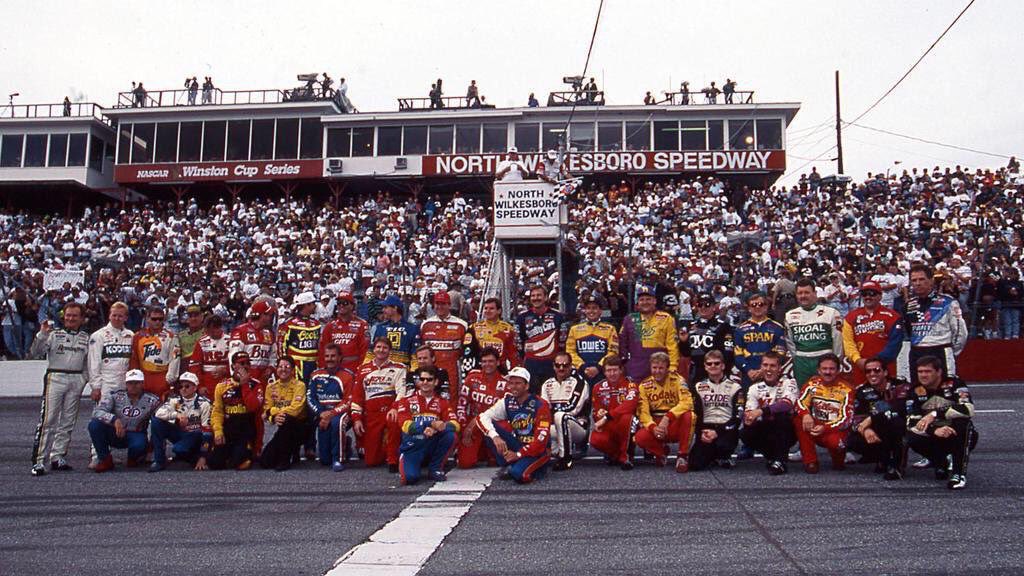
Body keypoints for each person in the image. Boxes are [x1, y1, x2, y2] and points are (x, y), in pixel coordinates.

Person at [28, 302, 90, 476]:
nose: (70, 318)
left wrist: (83, 379)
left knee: (68, 421)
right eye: (68, 315)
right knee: (48, 420)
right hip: (55, 377)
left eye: (74, 315)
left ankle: (58, 456)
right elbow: (35, 352)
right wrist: (42, 334)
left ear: (82, 318)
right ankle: (39, 461)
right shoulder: (53, 334)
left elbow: (88, 363)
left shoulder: (86, 338)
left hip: (76, 379)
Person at [905, 355, 977, 490]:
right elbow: (911, 421)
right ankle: (940, 461)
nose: (923, 375)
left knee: (964, 424)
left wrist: (935, 414)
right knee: (911, 436)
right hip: (933, 433)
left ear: (939, 372)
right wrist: (934, 430)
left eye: (928, 371)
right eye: (920, 372)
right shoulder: (914, 390)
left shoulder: (955, 384)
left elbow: (968, 409)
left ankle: (958, 474)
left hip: (954, 431)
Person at [477, 366, 553, 483]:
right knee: (489, 428)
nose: (513, 386)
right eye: (511, 383)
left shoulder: (541, 405)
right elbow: (482, 417)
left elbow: (540, 441)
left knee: (519, 475)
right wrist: (495, 437)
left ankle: (528, 468)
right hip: (518, 444)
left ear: (526, 386)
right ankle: (513, 464)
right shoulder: (507, 401)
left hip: (538, 451)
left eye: (518, 383)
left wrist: (518, 454)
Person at [846, 357, 911, 480]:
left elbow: (901, 409)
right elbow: (856, 417)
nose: (872, 374)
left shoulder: (901, 386)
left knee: (896, 423)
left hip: (899, 427)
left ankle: (897, 467)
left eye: (876, 370)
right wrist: (866, 430)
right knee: (853, 440)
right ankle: (882, 459)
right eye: (868, 371)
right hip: (877, 430)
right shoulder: (862, 391)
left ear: (885, 372)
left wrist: (872, 419)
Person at [901, 263, 968, 382]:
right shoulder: (908, 305)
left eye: (922, 279)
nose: (918, 283)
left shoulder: (948, 302)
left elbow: (960, 332)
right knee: (918, 390)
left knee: (945, 390)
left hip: (941, 351)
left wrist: (950, 351)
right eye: (914, 280)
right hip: (917, 353)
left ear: (931, 280)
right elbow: (909, 331)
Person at [395, 366, 459, 485]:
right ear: (418, 381)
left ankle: (435, 468)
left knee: (451, 435)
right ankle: (405, 459)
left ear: (436, 382)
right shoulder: (406, 401)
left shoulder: (442, 402)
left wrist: (437, 428)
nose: (425, 382)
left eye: (429, 379)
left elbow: (455, 424)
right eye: (422, 379)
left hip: (432, 444)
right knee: (410, 479)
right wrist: (428, 425)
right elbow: (405, 425)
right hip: (414, 446)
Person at [88, 369, 160, 473]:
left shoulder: (153, 400)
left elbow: (161, 416)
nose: (133, 386)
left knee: (139, 445)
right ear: (126, 384)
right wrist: (114, 419)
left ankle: (134, 457)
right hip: (115, 432)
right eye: (130, 383)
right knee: (94, 425)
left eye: (137, 383)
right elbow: (97, 412)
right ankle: (105, 459)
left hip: (136, 433)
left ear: (142, 383)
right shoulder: (115, 396)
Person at [352, 337, 408, 471]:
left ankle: (393, 459)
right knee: (371, 461)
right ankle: (384, 448)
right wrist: (356, 419)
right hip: (372, 415)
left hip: (390, 411)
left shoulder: (400, 368)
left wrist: (395, 408)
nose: (381, 350)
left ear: (390, 351)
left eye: (385, 347)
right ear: (373, 349)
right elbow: (357, 396)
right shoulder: (363, 369)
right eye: (378, 347)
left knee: (394, 420)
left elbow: (402, 391)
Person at [633, 352, 695, 472]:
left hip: (673, 422)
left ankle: (682, 456)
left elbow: (687, 402)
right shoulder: (644, 385)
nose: (657, 371)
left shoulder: (678, 380)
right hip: (656, 424)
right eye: (654, 368)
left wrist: (667, 418)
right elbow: (643, 412)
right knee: (639, 437)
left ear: (667, 368)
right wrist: (653, 428)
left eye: (661, 368)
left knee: (690, 415)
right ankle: (661, 452)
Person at [741, 351, 800, 474]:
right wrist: (749, 418)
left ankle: (780, 461)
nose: (768, 369)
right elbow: (750, 412)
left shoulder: (789, 382)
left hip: (787, 429)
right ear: (761, 367)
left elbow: (787, 404)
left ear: (779, 368)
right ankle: (772, 457)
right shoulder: (754, 388)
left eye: (772, 366)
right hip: (766, 427)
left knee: (782, 417)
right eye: (765, 365)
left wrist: (761, 411)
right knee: (745, 432)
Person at [794, 354, 854, 474]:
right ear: (819, 370)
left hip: (835, 430)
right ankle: (810, 462)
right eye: (824, 369)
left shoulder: (847, 389)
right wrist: (806, 414)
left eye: (831, 369)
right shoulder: (812, 384)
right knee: (798, 419)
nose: (828, 372)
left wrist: (825, 428)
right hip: (816, 426)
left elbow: (847, 419)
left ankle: (838, 461)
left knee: (837, 456)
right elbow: (800, 402)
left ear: (838, 370)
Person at [689, 350, 744, 471]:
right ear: (705, 367)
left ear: (723, 366)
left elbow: (738, 416)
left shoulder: (735, 387)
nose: (713, 366)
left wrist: (718, 432)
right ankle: (712, 456)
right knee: (694, 465)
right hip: (706, 429)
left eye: (716, 363)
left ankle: (723, 456)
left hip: (726, 429)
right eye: (709, 363)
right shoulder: (698, 387)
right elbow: (695, 413)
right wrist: (701, 431)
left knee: (723, 445)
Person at [208, 353, 264, 470]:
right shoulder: (222, 386)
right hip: (228, 428)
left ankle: (246, 454)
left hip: (247, 430)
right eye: (242, 363)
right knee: (214, 463)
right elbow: (217, 412)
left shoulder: (256, 385)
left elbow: (253, 407)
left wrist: (244, 385)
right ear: (233, 366)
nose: (245, 366)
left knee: (238, 463)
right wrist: (218, 432)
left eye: (248, 363)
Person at [785, 278, 844, 387]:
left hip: (825, 360)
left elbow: (838, 341)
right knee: (803, 392)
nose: (803, 296)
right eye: (800, 293)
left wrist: (836, 362)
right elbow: (790, 342)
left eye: (807, 292)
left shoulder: (831, 313)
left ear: (815, 293)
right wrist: (797, 358)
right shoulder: (789, 315)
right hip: (802, 362)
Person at [148, 372, 212, 472]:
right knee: (156, 422)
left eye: (187, 386)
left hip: (196, 436)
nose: (183, 389)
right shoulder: (174, 400)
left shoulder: (204, 404)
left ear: (195, 388)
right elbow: (158, 413)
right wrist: (176, 415)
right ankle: (159, 461)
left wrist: (203, 457)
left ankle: (196, 457)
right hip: (181, 433)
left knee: (179, 449)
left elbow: (207, 433)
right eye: (180, 386)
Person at [455, 347, 507, 469]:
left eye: (491, 361)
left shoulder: (505, 383)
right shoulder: (472, 378)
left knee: (496, 462)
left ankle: (489, 452)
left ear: (498, 362)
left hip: (494, 425)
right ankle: (478, 451)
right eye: (484, 361)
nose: (487, 364)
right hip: (473, 425)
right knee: (465, 463)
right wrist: (463, 428)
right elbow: (461, 405)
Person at [842, 281, 903, 384]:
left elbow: (895, 344)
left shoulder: (893, 316)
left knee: (888, 392)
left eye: (872, 294)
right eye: (864, 294)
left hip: (885, 367)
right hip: (860, 367)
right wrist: (857, 360)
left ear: (880, 296)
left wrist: (877, 362)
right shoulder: (850, 317)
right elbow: (848, 342)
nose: (868, 297)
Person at [307, 345, 357, 470]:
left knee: (337, 423)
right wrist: (320, 413)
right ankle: (345, 444)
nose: (330, 359)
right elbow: (310, 398)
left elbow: (349, 400)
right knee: (325, 460)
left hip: (341, 414)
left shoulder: (348, 375)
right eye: (327, 356)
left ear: (340, 357)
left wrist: (331, 414)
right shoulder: (315, 375)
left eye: (333, 356)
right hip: (322, 413)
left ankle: (338, 459)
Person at [541, 352, 590, 470]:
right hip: (555, 426)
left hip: (578, 427)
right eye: (558, 365)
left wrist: (554, 414)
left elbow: (574, 409)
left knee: (561, 416)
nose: (561, 368)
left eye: (565, 365)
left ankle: (565, 459)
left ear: (571, 366)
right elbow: (544, 409)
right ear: (553, 366)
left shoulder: (580, 382)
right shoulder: (547, 384)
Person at [620, 285, 679, 382]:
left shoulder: (666, 318)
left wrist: (673, 365)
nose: (645, 302)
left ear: (654, 301)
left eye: (648, 299)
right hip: (636, 368)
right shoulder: (630, 319)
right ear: (637, 302)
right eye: (642, 300)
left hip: (660, 367)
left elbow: (672, 344)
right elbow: (622, 344)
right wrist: (624, 363)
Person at [588, 355, 638, 469]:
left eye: (615, 370)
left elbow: (630, 405)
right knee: (595, 440)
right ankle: (615, 454)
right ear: (604, 372)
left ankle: (626, 457)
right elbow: (595, 412)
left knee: (627, 418)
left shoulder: (630, 384)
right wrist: (599, 414)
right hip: (608, 424)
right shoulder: (598, 387)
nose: (612, 373)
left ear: (621, 370)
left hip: (628, 424)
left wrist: (608, 416)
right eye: (609, 370)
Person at [515, 284, 567, 391]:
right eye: (533, 296)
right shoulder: (522, 317)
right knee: (531, 393)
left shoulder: (558, 316)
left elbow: (563, 340)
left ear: (546, 297)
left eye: (539, 295)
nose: (536, 298)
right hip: (531, 362)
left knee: (551, 392)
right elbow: (518, 341)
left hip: (551, 362)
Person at [261, 357, 308, 471]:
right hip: (282, 426)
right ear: (276, 369)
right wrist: (273, 417)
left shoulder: (300, 385)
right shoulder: (271, 387)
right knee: (265, 462)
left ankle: (285, 459)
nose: (283, 369)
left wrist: (273, 412)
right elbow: (266, 410)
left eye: (287, 367)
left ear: (292, 370)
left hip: (300, 427)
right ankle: (292, 451)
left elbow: (295, 410)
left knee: (287, 418)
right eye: (280, 367)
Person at [733, 292, 787, 389]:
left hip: (771, 375)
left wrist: (764, 370)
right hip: (749, 375)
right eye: (753, 305)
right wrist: (748, 370)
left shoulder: (777, 328)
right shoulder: (740, 329)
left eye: (761, 304)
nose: (757, 307)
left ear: (766, 307)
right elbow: (738, 355)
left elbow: (781, 352)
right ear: (749, 308)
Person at [680, 294, 734, 383]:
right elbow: (685, 353)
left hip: (716, 371)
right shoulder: (690, 326)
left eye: (707, 305)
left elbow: (729, 353)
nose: (703, 307)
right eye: (700, 305)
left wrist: (724, 372)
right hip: (696, 373)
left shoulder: (724, 326)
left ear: (714, 307)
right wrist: (683, 342)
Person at [129, 305, 180, 400]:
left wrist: (169, 380)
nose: (157, 322)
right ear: (147, 319)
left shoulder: (171, 337)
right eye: (154, 319)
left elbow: (175, 359)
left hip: (162, 378)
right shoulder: (138, 336)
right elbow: (134, 359)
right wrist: (135, 379)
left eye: (160, 319)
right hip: (143, 378)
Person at [566, 298, 619, 386]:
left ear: (600, 311)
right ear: (584, 311)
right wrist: (582, 367)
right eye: (588, 308)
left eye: (594, 308)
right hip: (581, 372)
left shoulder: (610, 329)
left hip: (603, 373)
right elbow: (570, 351)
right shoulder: (574, 329)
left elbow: (613, 351)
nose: (591, 311)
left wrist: (599, 367)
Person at [420, 291, 468, 388]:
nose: (440, 307)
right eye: (437, 303)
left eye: (443, 304)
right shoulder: (426, 324)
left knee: (452, 395)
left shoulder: (462, 325)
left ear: (449, 305)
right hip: (431, 372)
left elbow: (466, 352)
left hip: (452, 371)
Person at [318, 291, 370, 374]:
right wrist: (323, 370)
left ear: (352, 306)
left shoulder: (362, 325)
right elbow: (322, 350)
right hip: (333, 369)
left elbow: (365, 351)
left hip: (354, 369)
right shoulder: (330, 326)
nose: (341, 305)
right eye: (339, 303)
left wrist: (360, 370)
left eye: (345, 303)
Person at [463, 297, 519, 371]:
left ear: (499, 311)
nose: (488, 311)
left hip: (501, 370)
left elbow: (513, 354)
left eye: (491, 308)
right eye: (486, 308)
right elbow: (467, 352)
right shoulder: (473, 328)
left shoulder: (508, 329)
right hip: (480, 370)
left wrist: (514, 371)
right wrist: (468, 372)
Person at [278, 291, 322, 383]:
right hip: (297, 364)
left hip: (314, 364)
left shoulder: (316, 323)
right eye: (313, 303)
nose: (315, 306)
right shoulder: (289, 324)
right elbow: (281, 345)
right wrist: (285, 365)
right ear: (306, 305)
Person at [229, 299, 278, 383]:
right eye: (267, 314)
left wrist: (271, 368)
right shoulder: (241, 331)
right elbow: (233, 356)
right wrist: (237, 377)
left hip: (263, 379)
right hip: (245, 378)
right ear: (259, 315)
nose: (270, 317)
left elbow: (273, 356)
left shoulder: (270, 334)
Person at [366, 294, 420, 367]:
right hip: (381, 370)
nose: (383, 310)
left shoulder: (412, 329)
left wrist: (413, 372)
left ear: (395, 308)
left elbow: (415, 356)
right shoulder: (379, 328)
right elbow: (371, 354)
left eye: (386, 307)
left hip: (402, 371)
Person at [190, 314, 230, 400]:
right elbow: (194, 366)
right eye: (208, 330)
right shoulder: (202, 342)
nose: (210, 333)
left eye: (214, 329)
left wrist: (226, 370)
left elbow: (237, 363)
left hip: (227, 382)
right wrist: (200, 386)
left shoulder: (230, 341)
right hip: (207, 384)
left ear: (220, 327)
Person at [178, 304, 205, 371]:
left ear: (202, 317)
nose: (193, 319)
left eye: (196, 316)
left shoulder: (207, 333)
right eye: (190, 316)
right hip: (185, 370)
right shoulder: (180, 336)